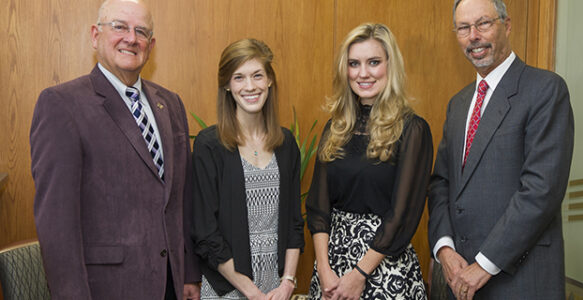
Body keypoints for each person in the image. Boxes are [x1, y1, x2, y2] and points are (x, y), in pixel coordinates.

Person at [30, 0, 202, 298]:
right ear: (96, 35)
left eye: (141, 31)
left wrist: (188, 273)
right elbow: (57, 224)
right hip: (106, 289)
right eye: (120, 27)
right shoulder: (62, 104)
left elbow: (181, 197)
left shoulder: (170, 103)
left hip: (171, 284)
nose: (131, 38)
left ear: (151, 44)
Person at [427, 0, 574, 299]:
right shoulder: (458, 104)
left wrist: (483, 264)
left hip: (520, 281)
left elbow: (540, 190)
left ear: (506, 25)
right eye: (464, 28)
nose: (473, 36)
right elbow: (441, 183)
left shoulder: (545, 90)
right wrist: (444, 248)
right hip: (459, 279)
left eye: (483, 24)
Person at [306, 23, 433, 300]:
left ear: (390, 66)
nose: (363, 73)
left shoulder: (412, 130)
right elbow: (318, 208)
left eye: (373, 62)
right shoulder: (335, 127)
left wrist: (359, 275)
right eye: (354, 63)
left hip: (383, 267)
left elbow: (402, 215)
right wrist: (324, 270)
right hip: (331, 271)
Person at [189, 38, 304, 300]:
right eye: (238, 77)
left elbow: (295, 223)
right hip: (227, 288)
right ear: (227, 86)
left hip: (277, 288)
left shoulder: (286, 144)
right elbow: (206, 233)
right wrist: (252, 292)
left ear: (270, 80)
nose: (250, 86)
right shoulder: (209, 146)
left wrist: (287, 283)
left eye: (257, 75)